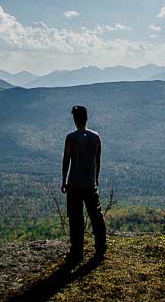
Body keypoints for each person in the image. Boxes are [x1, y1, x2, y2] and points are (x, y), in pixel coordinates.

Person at [61, 104, 106, 263]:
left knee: (75, 218)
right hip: (89, 183)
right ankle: (100, 249)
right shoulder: (96, 137)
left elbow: (66, 159)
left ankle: (77, 252)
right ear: (86, 118)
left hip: (74, 183)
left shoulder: (71, 138)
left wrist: (63, 180)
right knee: (96, 216)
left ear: (74, 119)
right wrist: (96, 178)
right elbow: (97, 160)